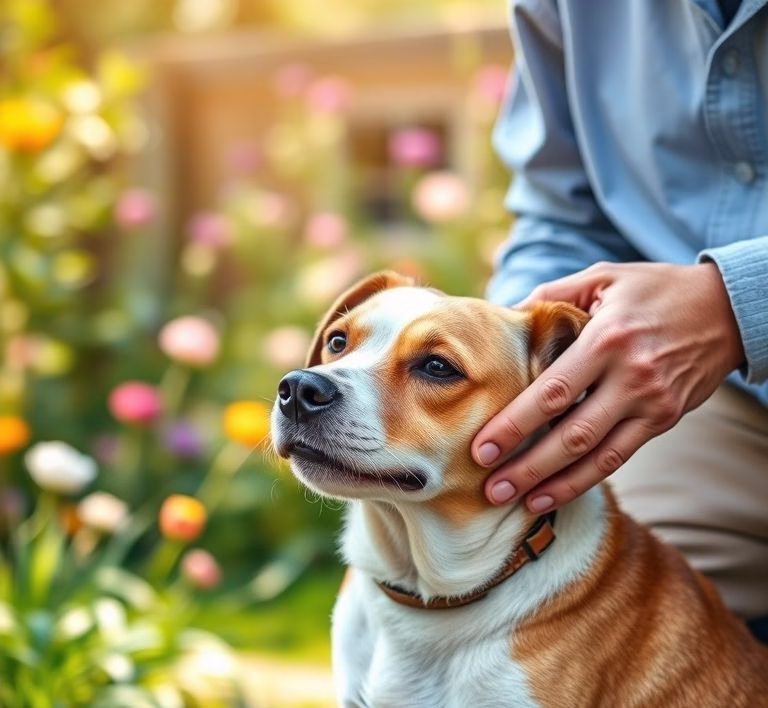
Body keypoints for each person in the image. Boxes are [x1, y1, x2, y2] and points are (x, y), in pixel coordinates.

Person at [471, 0, 768, 640]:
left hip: (711, 364)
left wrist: (738, 303)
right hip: (714, 409)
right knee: (577, 605)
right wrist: (517, 358)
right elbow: (561, 214)